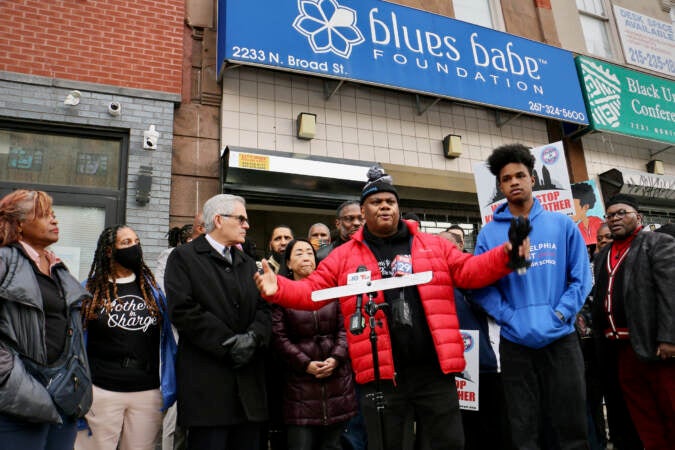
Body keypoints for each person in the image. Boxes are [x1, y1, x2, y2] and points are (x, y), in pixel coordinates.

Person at [255, 166, 530, 450]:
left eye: (390, 201)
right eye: (376, 202)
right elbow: (313, 290)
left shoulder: (433, 246)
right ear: (364, 211)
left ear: (398, 207)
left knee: (447, 444)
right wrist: (280, 290)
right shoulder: (344, 256)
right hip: (381, 376)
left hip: (435, 371)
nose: (384, 206)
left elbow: (470, 270)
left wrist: (506, 254)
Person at [472, 144, 592, 449]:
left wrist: (562, 313)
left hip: (561, 338)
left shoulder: (562, 224)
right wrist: (510, 316)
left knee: (571, 422)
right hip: (515, 343)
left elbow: (581, 277)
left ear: (532, 179)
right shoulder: (488, 235)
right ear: (500, 186)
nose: (514, 181)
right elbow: (480, 284)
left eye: (519, 175)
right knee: (523, 425)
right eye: (506, 178)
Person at [165, 194, 271, 450]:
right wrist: (229, 344)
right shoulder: (184, 257)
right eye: (241, 219)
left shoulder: (248, 264)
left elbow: (264, 309)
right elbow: (183, 310)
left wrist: (253, 338)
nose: (247, 225)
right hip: (207, 390)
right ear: (218, 220)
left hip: (248, 391)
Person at [0, 190, 92, 450]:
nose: (54, 221)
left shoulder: (56, 267)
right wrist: (10, 377)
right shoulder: (4, 261)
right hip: (18, 400)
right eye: (43, 215)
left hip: (62, 396)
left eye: (54, 215)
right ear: (19, 224)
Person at [75, 225, 176, 450]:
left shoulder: (153, 290)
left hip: (147, 392)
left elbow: (167, 340)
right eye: (126, 243)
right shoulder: (90, 291)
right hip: (101, 391)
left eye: (136, 241)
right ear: (109, 251)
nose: (134, 247)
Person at [591, 194, 675, 450]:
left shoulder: (656, 242)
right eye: (610, 215)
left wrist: (669, 337)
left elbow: (670, 291)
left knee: (670, 409)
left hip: (654, 347)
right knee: (642, 415)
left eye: (621, 213)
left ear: (638, 217)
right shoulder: (602, 255)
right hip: (621, 351)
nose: (615, 219)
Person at [273, 239, 358, 450]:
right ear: (289, 264)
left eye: (309, 252)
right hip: (299, 386)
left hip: (337, 382)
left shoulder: (334, 291)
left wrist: (336, 358)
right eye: (299, 253)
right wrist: (305, 363)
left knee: (334, 444)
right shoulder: (281, 294)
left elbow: (346, 328)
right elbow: (279, 337)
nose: (306, 257)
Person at [437, 230, 512, 450]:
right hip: (454, 370)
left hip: (488, 366)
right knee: (464, 430)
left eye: (446, 247)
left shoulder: (477, 275)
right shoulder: (433, 280)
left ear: (460, 246)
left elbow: (494, 307)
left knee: (497, 428)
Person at [156, 213, 205, 450]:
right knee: (174, 413)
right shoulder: (172, 258)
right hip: (177, 340)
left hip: (198, 345)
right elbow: (169, 300)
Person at [572, 182, 604, 247]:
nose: (571, 212)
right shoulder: (577, 228)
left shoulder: (598, 222)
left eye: (574, 208)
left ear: (585, 207)